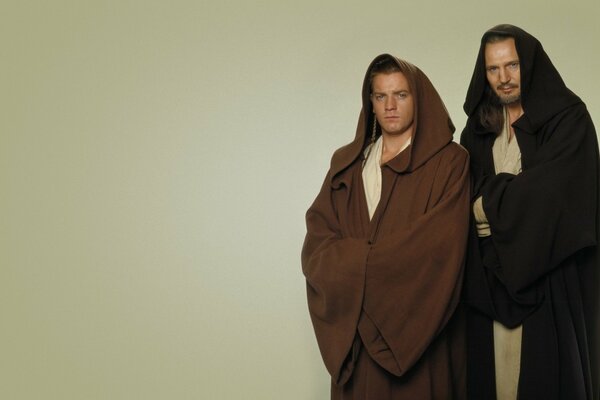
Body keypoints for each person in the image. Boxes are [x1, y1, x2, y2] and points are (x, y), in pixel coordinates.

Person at [301, 54, 470, 399]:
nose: (390, 106)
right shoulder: (348, 164)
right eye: (381, 96)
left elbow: (439, 249)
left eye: (400, 95)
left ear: (418, 99)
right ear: (371, 103)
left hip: (418, 336)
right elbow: (318, 246)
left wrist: (354, 270)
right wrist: (367, 269)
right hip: (356, 341)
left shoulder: (449, 163)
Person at [460, 24, 600, 400]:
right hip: (490, 280)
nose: (503, 78)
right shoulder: (477, 130)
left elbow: (555, 197)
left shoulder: (569, 120)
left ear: (530, 63)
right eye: (493, 69)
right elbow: (460, 196)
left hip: (551, 279)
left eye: (513, 65)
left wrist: (487, 206)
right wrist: (509, 201)